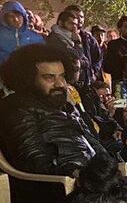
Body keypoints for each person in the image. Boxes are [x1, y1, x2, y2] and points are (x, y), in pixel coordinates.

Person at [0, 45, 105, 177]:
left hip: (97, 182)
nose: (60, 84)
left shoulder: (66, 106)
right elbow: (35, 161)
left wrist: (109, 170)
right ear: (27, 79)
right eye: (49, 78)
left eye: (62, 76)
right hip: (61, 188)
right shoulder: (16, 109)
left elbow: (96, 147)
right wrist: (77, 173)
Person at [46, 10, 91, 86]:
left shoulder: (71, 38)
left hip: (74, 82)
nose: (74, 27)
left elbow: (86, 62)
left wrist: (78, 62)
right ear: (60, 23)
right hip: (62, 81)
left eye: (75, 24)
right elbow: (76, 56)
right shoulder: (54, 38)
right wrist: (78, 43)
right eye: (70, 23)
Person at [65, 5, 103, 82]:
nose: (80, 19)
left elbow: (98, 58)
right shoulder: (60, 36)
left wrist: (94, 73)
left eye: (81, 17)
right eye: (76, 16)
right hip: (69, 80)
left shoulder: (88, 38)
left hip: (87, 81)